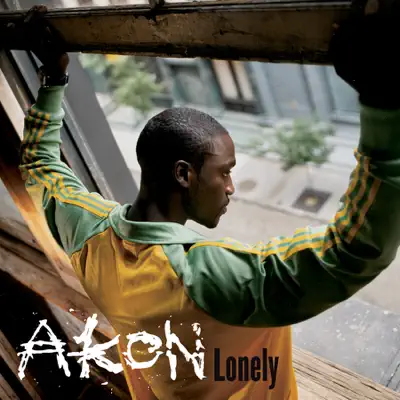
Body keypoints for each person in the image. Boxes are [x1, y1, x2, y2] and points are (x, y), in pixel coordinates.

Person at [19, 4, 400, 400]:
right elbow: (353, 251)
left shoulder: (86, 231)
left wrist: (53, 79)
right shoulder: (206, 277)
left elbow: (38, 164)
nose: (231, 187)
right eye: (225, 172)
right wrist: (382, 105)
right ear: (184, 175)